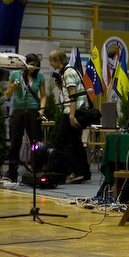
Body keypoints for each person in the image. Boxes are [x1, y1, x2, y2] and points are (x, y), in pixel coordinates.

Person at [49, 49, 91, 184]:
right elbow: (69, 93)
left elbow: (73, 96)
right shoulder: (69, 72)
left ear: (58, 60)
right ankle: (85, 172)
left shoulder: (68, 73)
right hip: (77, 109)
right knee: (75, 143)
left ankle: (76, 170)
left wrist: (71, 116)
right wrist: (60, 87)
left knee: (60, 142)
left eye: (51, 61)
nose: (50, 64)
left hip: (72, 111)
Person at [4, 54, 47, 182]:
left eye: (36, 65)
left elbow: (43, 95)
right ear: (26, 64)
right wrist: (12, 88)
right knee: (15, 143)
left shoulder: (40, 76)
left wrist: (41, 110)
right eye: (32, 64)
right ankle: (12, 172)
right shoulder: (15, 74)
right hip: (18, 112)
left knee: (36, 143)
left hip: (33, 112)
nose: (34, 67)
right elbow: (7, 94)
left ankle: (37, 170)